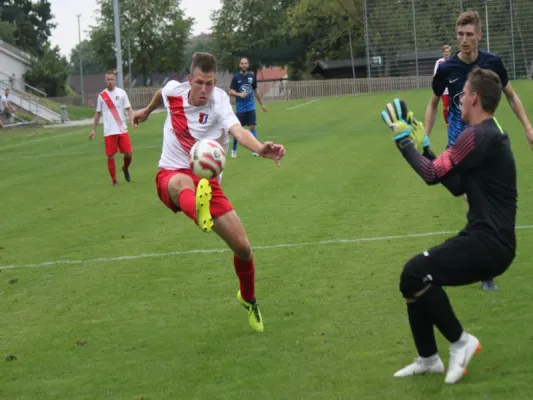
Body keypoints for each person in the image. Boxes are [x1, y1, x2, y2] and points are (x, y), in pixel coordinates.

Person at [381, 67, 516, 384]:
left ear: (475, 99)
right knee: (411, 279)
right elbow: (456, 185)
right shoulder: (488, 132)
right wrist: (424, 147)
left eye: (464, 95)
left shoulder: (476, 135)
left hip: (490, 241)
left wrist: (404, 144)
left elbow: (431, 174)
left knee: (415, 271)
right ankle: (428, 359)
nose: (459, 101)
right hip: (490, 239)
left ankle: (460, 341)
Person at [133, 52, 285, 333]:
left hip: (208, 183)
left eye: (211, 83)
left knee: (243, 248)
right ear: (189, 79)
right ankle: (198, 212)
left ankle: (248, 298)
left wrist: (260, 147)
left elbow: (238, 131)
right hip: (172, 173)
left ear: (216, 83)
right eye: (200, 82)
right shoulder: (174, 92)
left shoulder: (220, 102)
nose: (205, 90)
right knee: (183, 184)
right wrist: (145, 111)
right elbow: (160, 95)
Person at [424, 10, 533, 291]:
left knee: (484, 199)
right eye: (460, 34)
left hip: (485, 140)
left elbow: (511, 95)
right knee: (472, 198)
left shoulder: (491, 64)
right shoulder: (447, 68)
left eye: (469, 34)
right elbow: (433, 103)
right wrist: (424, 136)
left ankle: (482, 257)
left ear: (479, 36)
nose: (464, 40)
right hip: (460, 142)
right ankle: (484, 263)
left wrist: (528, 127)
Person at [89, 71, 136, 186]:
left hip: (122, 129)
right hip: (109, 131)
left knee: (128, 154)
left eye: (112, 79)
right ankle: (114, 180)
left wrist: (132, 120)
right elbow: (97, 114)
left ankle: (125, 168)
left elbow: (129, 109)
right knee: (111, 155)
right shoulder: (102, 96)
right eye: (108, 79)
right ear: (105, 81)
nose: (110, 81)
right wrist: (93, 130)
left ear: (115, 80)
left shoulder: (122, 93)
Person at [229, 57, 268, 158]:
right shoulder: (236, 78)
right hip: (240, 109)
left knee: (252, 127)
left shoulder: (251, 76)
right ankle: (234, 150)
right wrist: (239, 94)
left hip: (251, 107)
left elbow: (256, 91)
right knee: (238, 131)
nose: (244, 65)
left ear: (248, 65)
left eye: (246, 63)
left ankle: (256, 150)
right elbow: (231, 91)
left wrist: (262, 105)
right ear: (239, 65)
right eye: (242, 63)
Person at [433, 45, 452, 127]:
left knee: (455, 105)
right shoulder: (439, 62)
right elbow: (435, 74)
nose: (446, 53)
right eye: (445, 52)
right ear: (442, 53)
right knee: (446, 107)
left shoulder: (453, 61)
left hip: (453, 87)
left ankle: (454, 120)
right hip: (445, 89)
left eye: (447, 52)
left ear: (450, 53)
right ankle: (447, 122)